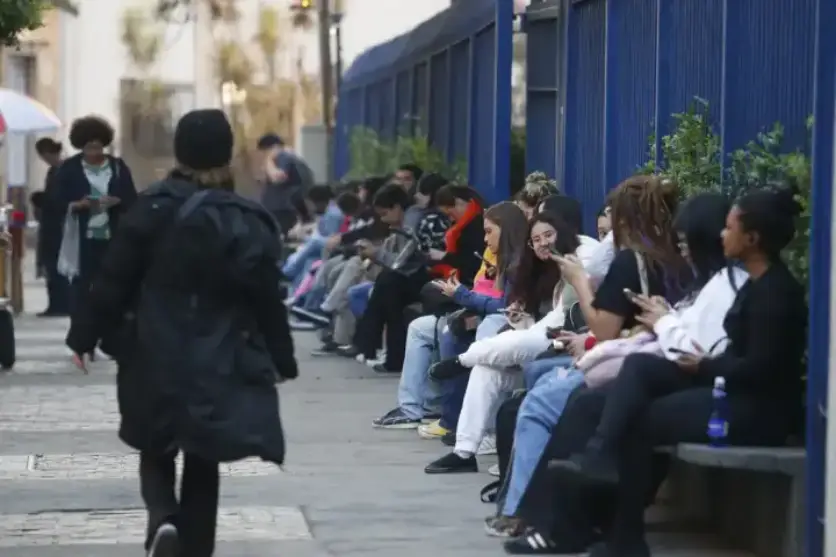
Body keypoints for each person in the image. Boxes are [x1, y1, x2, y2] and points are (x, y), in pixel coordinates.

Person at [65, 109, 297, 557]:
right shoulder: (244, 217)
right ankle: (195, 546)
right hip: (219, 354)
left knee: (154, 444)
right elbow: (267, 297)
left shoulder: (150, 208)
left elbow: (113, 279)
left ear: (180, 152)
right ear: (226, 153)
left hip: (152, 347)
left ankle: (163, 518)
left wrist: (83, 337)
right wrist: (281, 357)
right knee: (203, 453)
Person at [548, 187, 807, 557]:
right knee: (641, 366)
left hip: (754, 412)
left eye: (730, 228)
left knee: (642, 419)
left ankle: (625, 537)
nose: (722, 235)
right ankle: (599, 460)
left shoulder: (776, 293)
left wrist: (702, 365)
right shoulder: (754, 284)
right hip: (729, 389)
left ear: (752, 239)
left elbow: (760, 370)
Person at [494, 193, 745, 542]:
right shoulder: (706, 278)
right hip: (657, 368)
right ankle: (566, 518)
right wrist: (664, 319)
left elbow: (688, 347)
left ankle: (544, 516)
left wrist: (657, 319)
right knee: (576, 400)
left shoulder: (716, 281)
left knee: (558, 404)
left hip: (688, 380)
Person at [423, 211, 590, 474]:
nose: (543, 243)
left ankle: (463, 360)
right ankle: (464, 451)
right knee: (485, 369)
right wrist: (519, 316)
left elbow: (556, 322)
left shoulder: (575, 266)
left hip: (561, 347)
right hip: (536, 346)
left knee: (515, 341)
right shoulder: (534, 271)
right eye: (536, 239)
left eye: (549, 235)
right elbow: (530, 322)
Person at [371, 201, 528, 428]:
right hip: (479, 308)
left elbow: (504, 305)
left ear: (507, 230)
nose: (485, 239)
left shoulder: (520, 260)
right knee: (420, 327)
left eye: (489, 232)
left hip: (498, 317)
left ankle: (459, 419)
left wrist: (462, 295)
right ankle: (415, 408)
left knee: (450, 330)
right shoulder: (497, 255)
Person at [355, 184, 486, 372]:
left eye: (450, 212)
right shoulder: (461, 224)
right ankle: (376, 348)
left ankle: (372, 346)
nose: (450, 217)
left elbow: (471, 261)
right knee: (389, 282)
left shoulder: (475, 226)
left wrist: (443, 257)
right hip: (442, 273)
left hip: (457, 280)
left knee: (391, 283)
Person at [55, 116, 137, 363]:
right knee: (82, 292)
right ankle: (82, 342)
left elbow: (132, 200)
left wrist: (117, 201)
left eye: (98, 146)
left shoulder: (118, 167)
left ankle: (111, 339)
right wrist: (77, 205)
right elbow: (56, 201)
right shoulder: (69, 169)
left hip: (112, 238)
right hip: (82, 239)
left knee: (112, 290)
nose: (94, 152)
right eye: (89, 147)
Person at [31, 138, 69, 316]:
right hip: (50, 223)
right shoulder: (53, 171)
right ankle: (55, 304)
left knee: (57, 266)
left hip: (59, 225)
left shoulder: (63, 170)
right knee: (50, 266)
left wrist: (43, 200)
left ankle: (61, 305)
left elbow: (60, 198)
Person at [257, 133, 311, 235]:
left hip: (281, 209)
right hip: (283, 207)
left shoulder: (282, 156)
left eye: (264, 151)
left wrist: (269, 160)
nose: (263, 155)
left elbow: (278, 178)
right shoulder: (291, 157)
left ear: (271, 148)